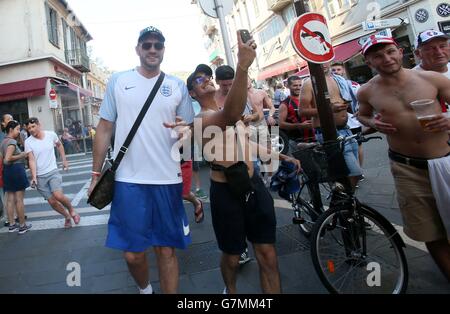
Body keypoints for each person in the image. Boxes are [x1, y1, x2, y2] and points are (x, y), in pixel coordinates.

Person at [185, 33, 300, 294]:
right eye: (198, 81)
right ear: (192, 92)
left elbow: (247, 145)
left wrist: (283, 157)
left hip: (253, 186)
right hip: (226, 194)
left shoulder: (231, 115)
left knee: (268, 255)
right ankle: (231, 290)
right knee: (233, 257)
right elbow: (230, 114)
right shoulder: (202, 120)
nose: (206, 81)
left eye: (208, 77)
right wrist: (242, 66)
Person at [88, 26, 194, 294]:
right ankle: (146, 290)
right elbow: (104, 128)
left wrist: (186, 133)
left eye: (158, 45)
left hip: (167, 179)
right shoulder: (118, 81)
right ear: (138, 49)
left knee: (166, 250)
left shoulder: (176, 86)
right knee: (133, 254)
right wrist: (94, 174)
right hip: (128, 181)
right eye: (147, 45)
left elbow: (188, 131)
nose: (152, 49)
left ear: (163, 50)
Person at [356, 35, 450, 281]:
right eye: (377, 56)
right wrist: (372, 121)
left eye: (390, 52)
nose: (386, 59)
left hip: (445, 160)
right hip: (406, 167)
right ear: (368, 62)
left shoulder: (432, 79)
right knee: (429, 230)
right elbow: (362, 115)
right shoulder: (366, 91)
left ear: (400, 52)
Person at [300, 62, 363, 189]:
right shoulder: (309, 84)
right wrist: (329, 109)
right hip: (327, 132)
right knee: (353, 173)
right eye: (317, 61)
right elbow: (303, 111)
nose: (322, 64)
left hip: (345, 130)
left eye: (324, 60)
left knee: (349, 175)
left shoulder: (338, 80)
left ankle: (343, 203)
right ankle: (342, 202)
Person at [25, 117, 80, 229]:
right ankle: (67, 216)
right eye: (29, 128)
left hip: (52, 171)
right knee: (52, 202)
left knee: (58, 195)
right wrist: (34, 177)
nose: (31, 129)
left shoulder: (50, 135)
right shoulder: (28, 142)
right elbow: (31, 160)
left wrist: (64, 160)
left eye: (33, 126)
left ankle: (72, 211)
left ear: (39, 125)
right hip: (40, 177)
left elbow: (59, 145)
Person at [331, 61, 365, 168]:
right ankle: (351, 172)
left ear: (343, 71)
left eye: (338, 69)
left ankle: (359, 170)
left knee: (358, 145)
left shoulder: (353, 85)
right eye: (334, 70)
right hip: (338, 123)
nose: (336, 72)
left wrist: (360, 110)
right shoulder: (329, 86)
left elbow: (363, 99)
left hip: (354, 121)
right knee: (344, 148)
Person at [1, 120, 31, 234]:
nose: (19, 132)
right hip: (16, 170)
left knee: (10, 199)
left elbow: (3, 159)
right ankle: (22, 225)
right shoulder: (12, 142)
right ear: (10, 130)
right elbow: (7, 158)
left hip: (7, 171)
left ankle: (12, 224)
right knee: (19, 200)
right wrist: (22, 154)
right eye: (17, 129)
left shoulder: (3, 141)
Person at [413, 30, 450, 116]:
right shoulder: (411, 78)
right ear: (418, 54)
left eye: (442, 46)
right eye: (430, 48)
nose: (439, 52)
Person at [278, 75, 314, 153]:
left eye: (300, 85)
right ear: (288, 86)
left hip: (313, 139)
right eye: (295, 85)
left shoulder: (308, 99)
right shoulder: (285, 104)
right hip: (297, 141)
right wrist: (300, 125)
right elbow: (281, 124)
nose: (298, 87)